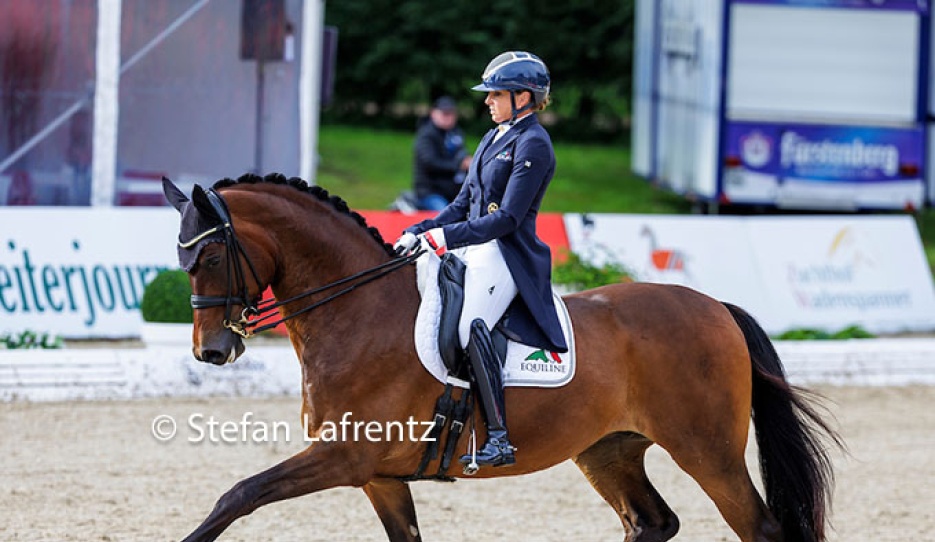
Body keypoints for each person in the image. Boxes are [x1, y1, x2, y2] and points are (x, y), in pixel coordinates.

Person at [394, 51, 567, 468]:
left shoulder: (534, 144)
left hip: (507, 253)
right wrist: (421, 230)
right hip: (474, 245)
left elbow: (506, 219)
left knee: (473, 327)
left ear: (522, 96)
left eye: (495, 94)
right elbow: (461, 204)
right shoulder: (493, 137)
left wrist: (445, 237)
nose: (487, 101)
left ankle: (500, 437)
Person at [412, 96, 471, 211]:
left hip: (455, 191)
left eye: (451, 113)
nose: (448, 117)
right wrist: (458, 165)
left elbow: (462, 154)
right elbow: (429, 162)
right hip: (430, 191)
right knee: (444, 215)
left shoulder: (456, 133)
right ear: (433, 113)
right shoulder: (426, 135)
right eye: (444, 113)